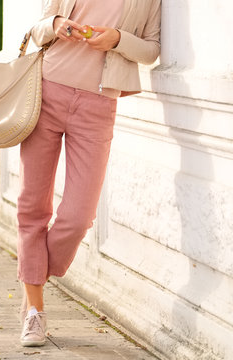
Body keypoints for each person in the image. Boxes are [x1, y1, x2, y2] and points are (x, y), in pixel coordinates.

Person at [17, 0, 161, 347]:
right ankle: (34, 312)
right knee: (32, 206)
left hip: (98, 104)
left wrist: (117, 39)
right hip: (46, 90)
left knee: (79, 217)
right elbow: (37, 29)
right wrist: (55, 25)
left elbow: (152, 50)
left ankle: (31, 277)